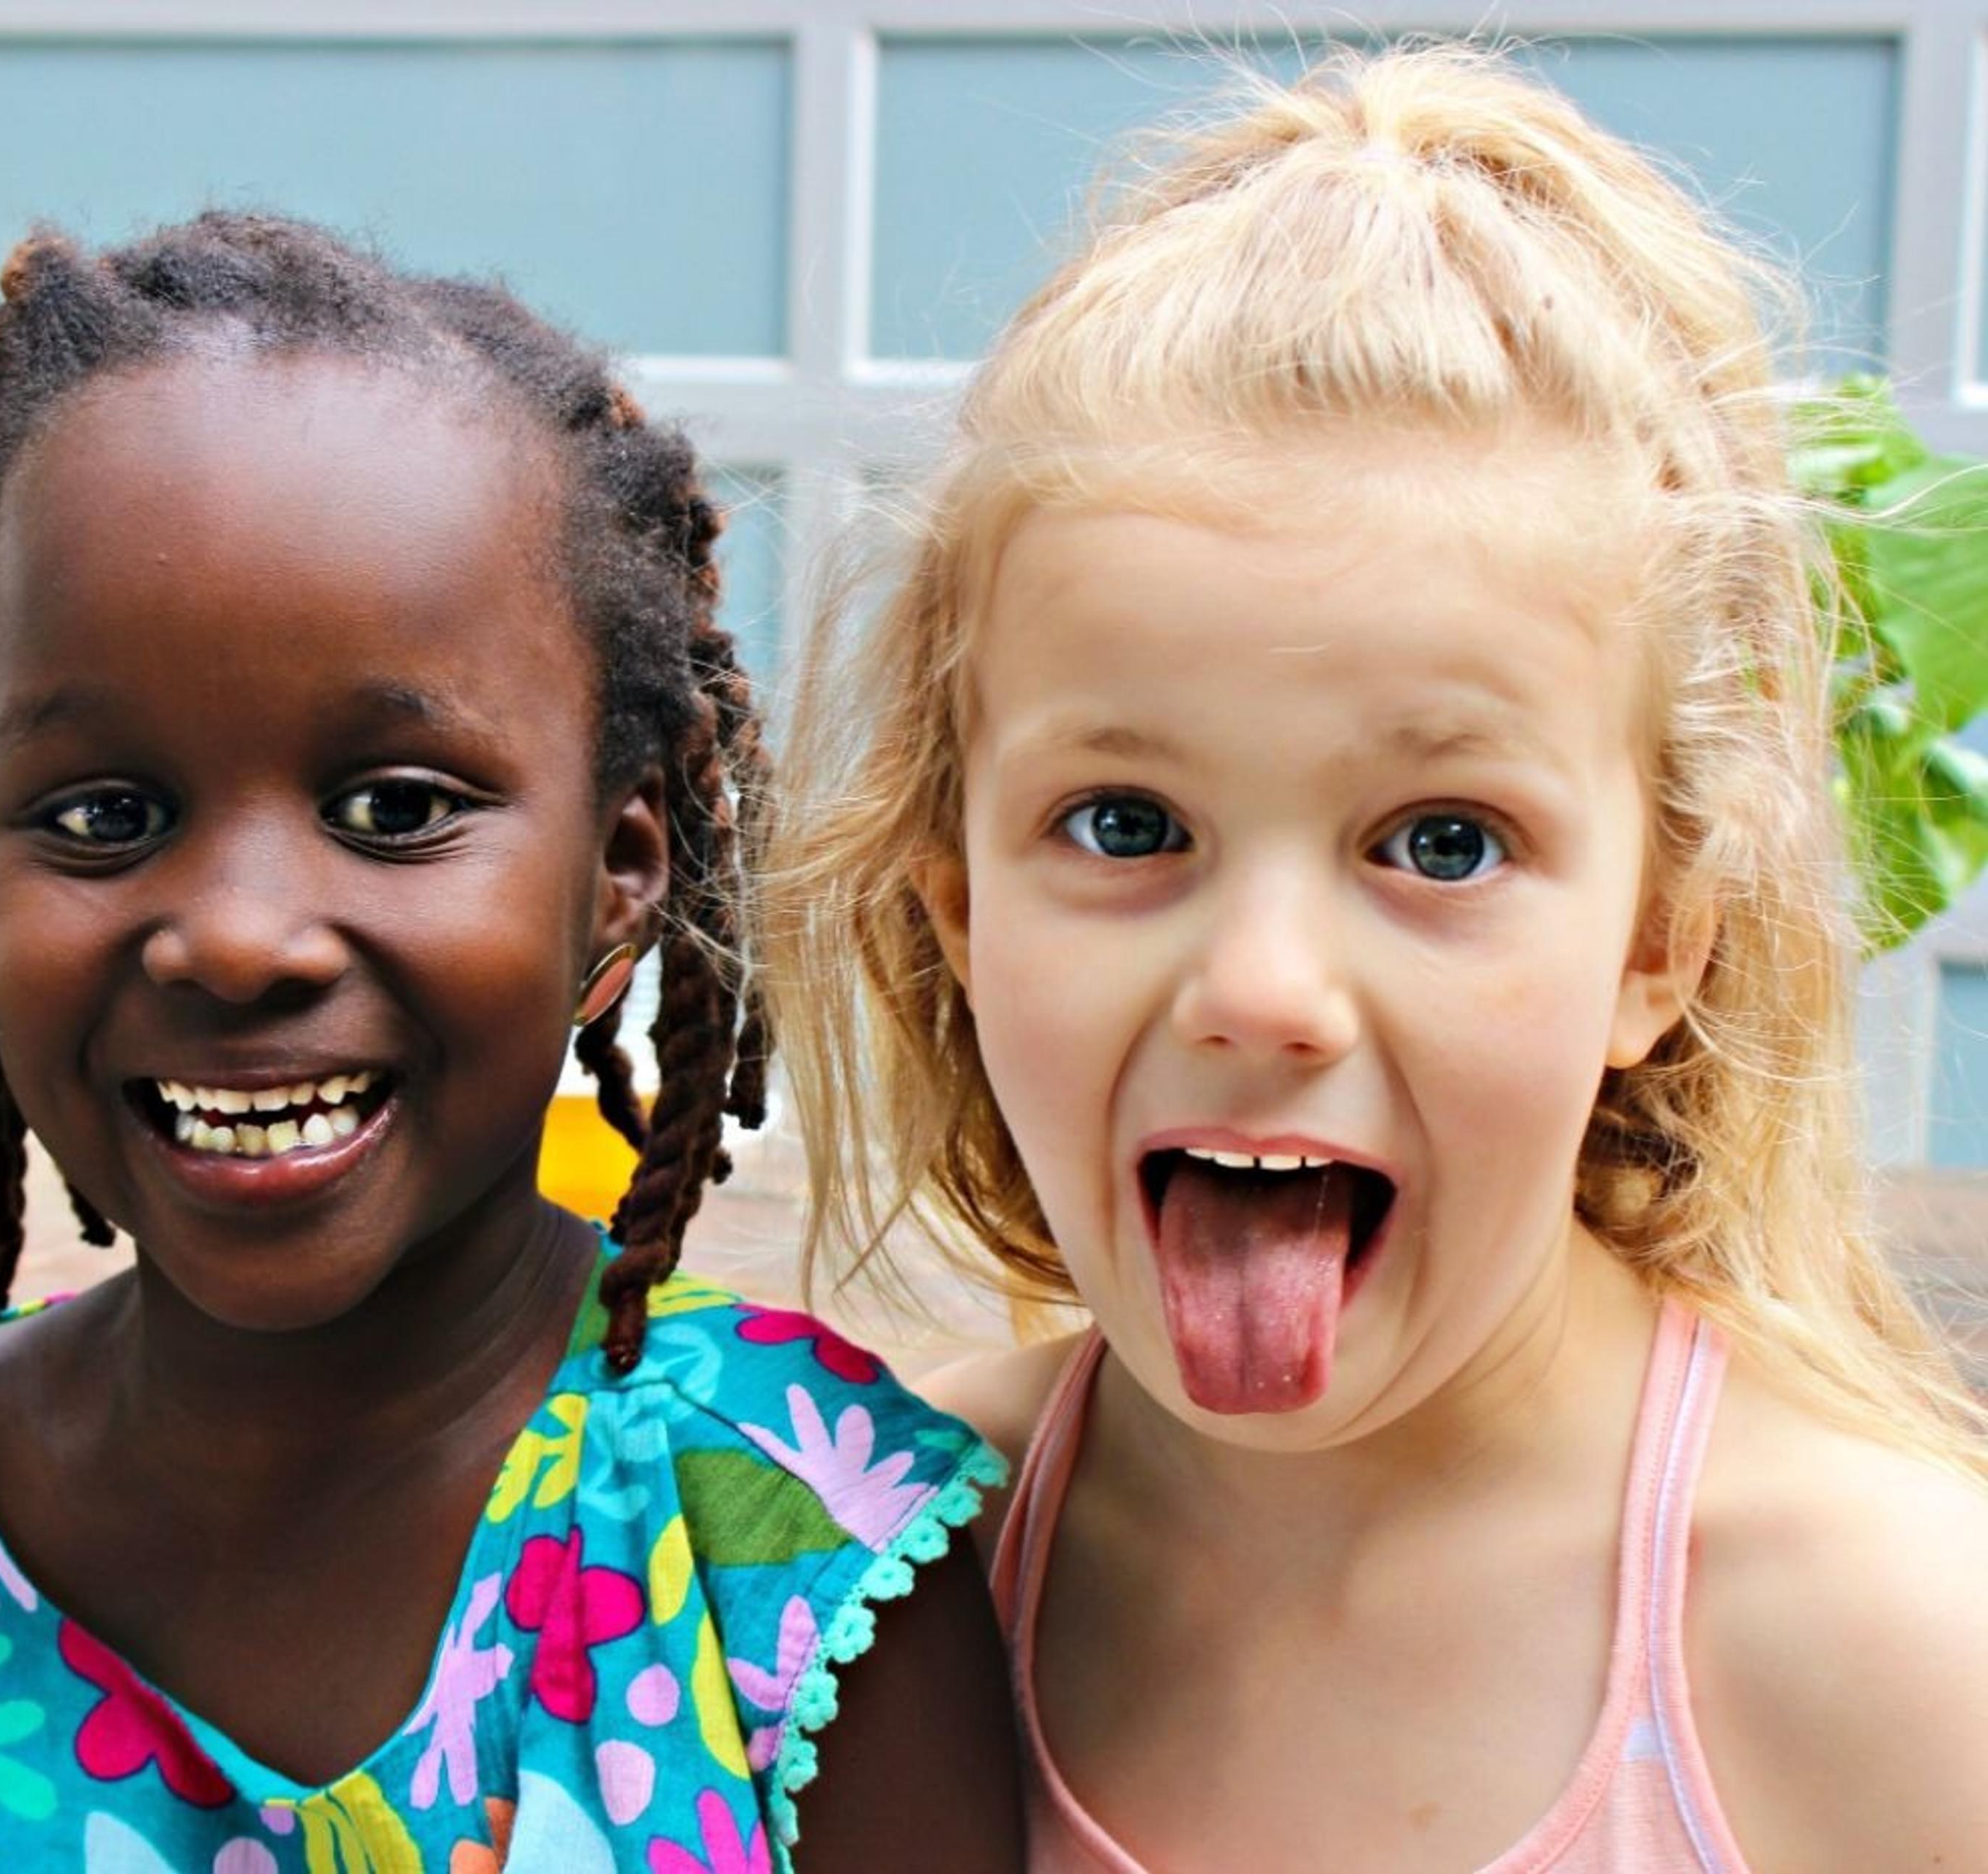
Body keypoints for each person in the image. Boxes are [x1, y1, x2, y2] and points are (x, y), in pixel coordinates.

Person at [0, 212, 1021, 1873]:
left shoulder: (792, 1551)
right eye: (104, 815)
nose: (239, 938)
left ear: (618, 874)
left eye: (395, 808)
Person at [764, 43, 1988, 1872]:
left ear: (1661, 940)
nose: (1261, 990)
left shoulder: (1903, 1657)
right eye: (1126, 822)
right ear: (958, 912)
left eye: (1442, 842)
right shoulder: (857, 1584)